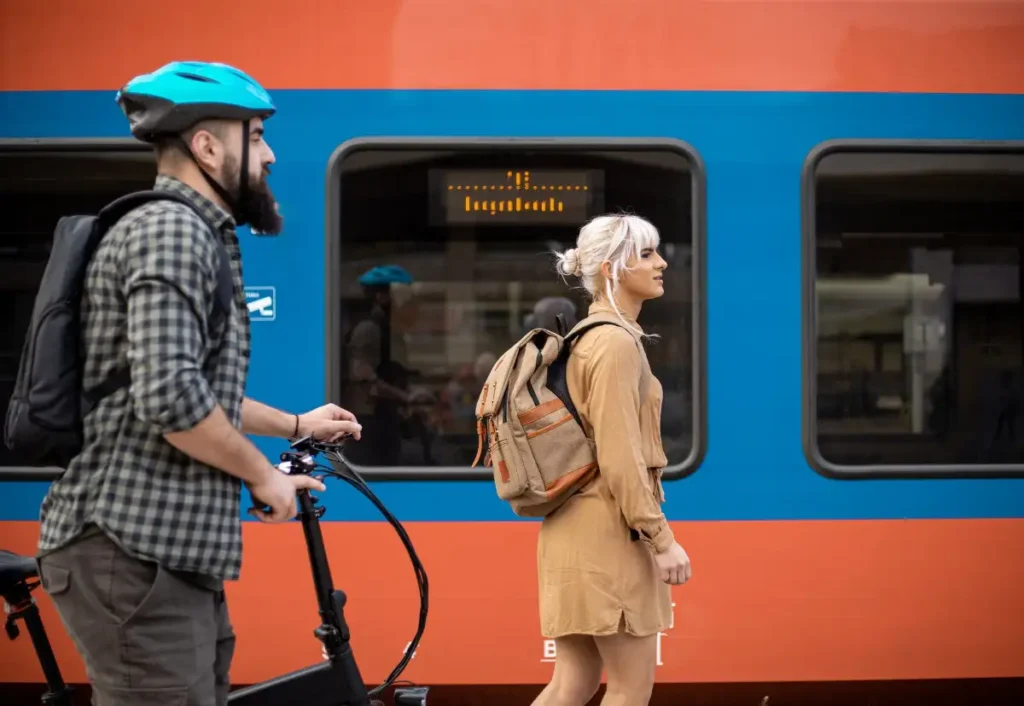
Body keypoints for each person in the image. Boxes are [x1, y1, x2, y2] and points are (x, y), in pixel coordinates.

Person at [33, 61, 362, 706]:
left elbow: (190, 391)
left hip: (163, 554)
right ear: (208, 145)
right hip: (131, 549)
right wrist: (263, 477)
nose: (269, 156)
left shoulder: (189, 232)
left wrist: (297, 427)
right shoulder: (172, 231)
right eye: (257, 135)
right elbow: (172, 400)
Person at [532, 214, 692, 706]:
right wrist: (661, 539)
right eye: (646, 254)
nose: (662, 263)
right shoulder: (618, 343)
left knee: (571, 684)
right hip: (611, 536)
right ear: (611, 268)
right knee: (629, 689)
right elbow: (621, 456)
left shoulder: (587, 336)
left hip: (573, 531)